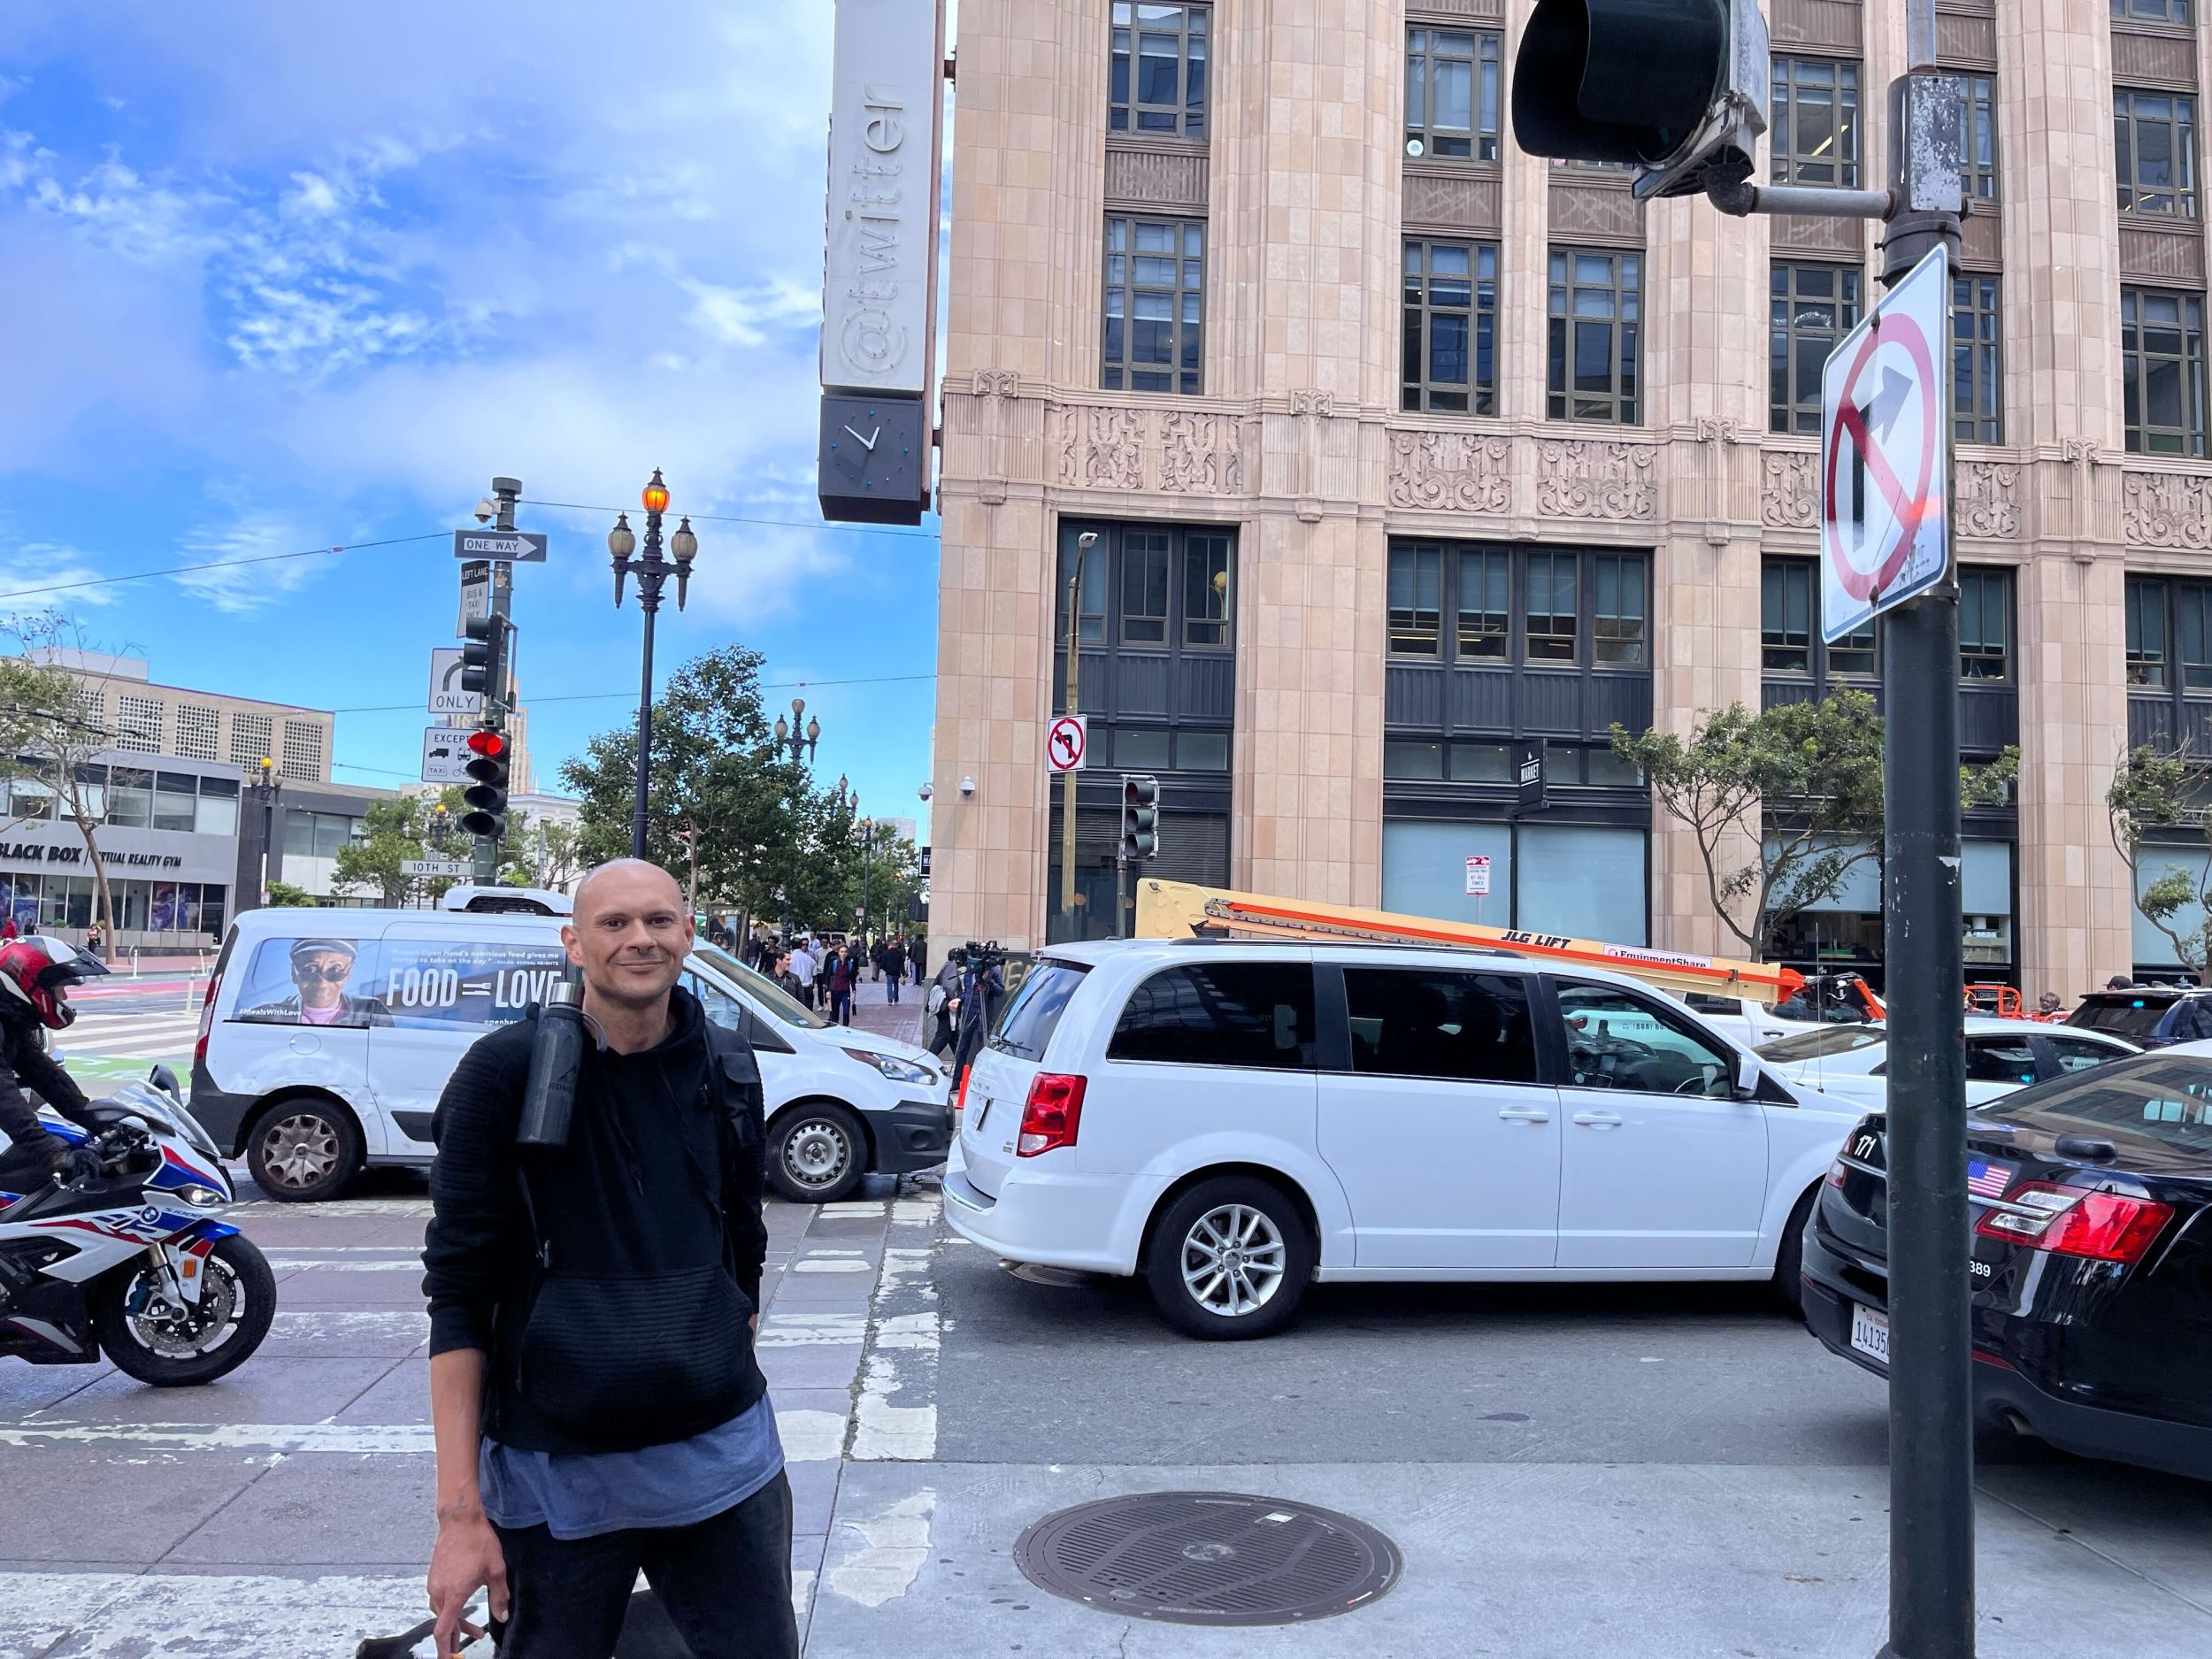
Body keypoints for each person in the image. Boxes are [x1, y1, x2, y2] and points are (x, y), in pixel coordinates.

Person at [421, 859, 794, 1659]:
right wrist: (460, 1515)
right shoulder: (502, 1073)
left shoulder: (727, 1066)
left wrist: (717, 1340)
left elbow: (745, 1233)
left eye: (659, 921)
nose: (640, 939)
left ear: (689, 935)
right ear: (574, 942)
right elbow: (458, 1290)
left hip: (722, 1465)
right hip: (554, 1479)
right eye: (615, 923)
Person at [0, 934, 111, 1194]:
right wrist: (55, 1156)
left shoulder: (11, 1018)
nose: (63, 995)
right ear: (28, 983)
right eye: (58, 988)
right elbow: (4, 1099)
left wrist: (98, 1120)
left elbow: (44, 1074)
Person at [240, 937, 394, 1027]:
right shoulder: (262, 1017)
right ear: (294, 972)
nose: (322, 983)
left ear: (349, 972)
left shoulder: (371, 1012)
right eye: (310, 970)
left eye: (335, 971)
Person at [925, 953, 963, 1061]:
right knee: (944, 1035)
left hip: (947, 1008)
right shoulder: (951, 967)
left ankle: (963, 1062)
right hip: (948, 1009)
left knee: (953, 1035)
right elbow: (949, 987)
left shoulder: (947, 966)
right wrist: (955, 999)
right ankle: (927, 1060)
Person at [826, 944, 856, 1027]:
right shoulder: (834, 963)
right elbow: (827, 976)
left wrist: (854, 991)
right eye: (842, 952)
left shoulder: (850, 965)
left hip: (845, 992)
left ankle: (845, 1028)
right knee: (835, 1013)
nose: (844, 954)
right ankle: (835, 1028)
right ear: (838, 953)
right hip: (835, 991)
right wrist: (828, 990)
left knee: (846, 1012)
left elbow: (852, 979)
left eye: (845, 952)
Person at [789, 938, 818, 1010]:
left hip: (794, 987)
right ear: (801, 945)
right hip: (807, 987)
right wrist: (812, 985)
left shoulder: (789, 959)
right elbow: (814, 975)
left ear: (791, 946)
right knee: (808, 1012)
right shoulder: (810, 959)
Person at [880, 936, 906, 1004]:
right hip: (896, 972)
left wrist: (885, 969)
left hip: (889, 972)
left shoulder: (886, 953)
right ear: (897, 945)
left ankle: (890, 1000)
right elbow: (901, 964)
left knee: (889, 985)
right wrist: (903, 973)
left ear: (891, 945)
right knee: (896, 985)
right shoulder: (899, 953)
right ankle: (896, 999)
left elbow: (883, 963)